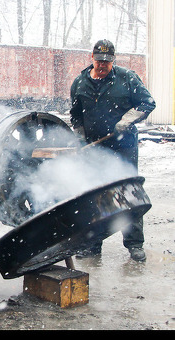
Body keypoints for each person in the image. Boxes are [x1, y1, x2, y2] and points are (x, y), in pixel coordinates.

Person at [69, 39, 156, 262]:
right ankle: (92, 245)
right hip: (95, 149)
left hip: (123, 146)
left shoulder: (127, 78)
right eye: (99, 61)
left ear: (113, 60)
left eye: (107, 61)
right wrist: (79, 135)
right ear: (92, 58)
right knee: (94, 195)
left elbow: (147, 103)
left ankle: (134, 244)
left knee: (128, 192)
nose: (102, 65)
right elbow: (76, 114)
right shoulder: (80, 82)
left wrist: (127, 120)